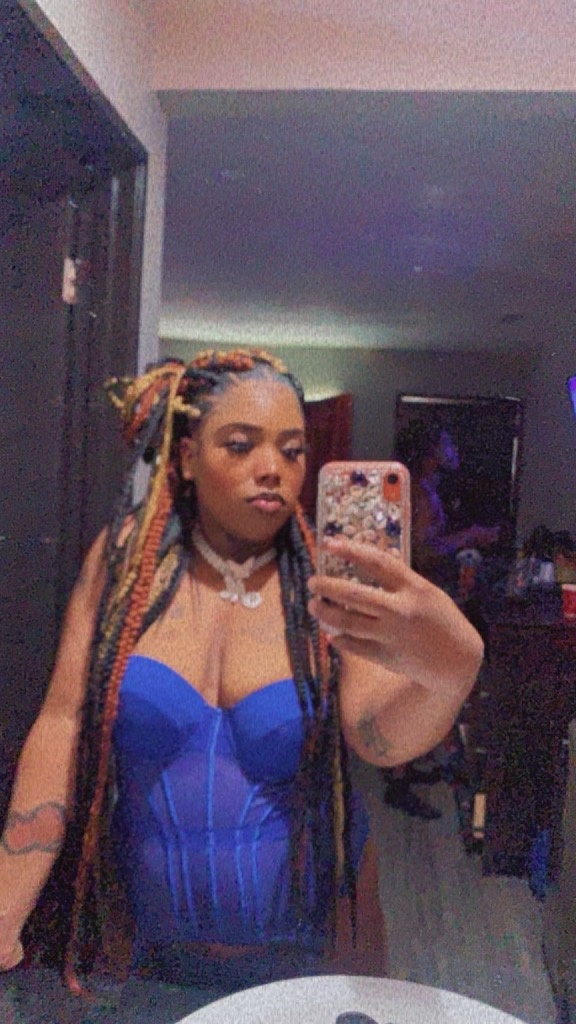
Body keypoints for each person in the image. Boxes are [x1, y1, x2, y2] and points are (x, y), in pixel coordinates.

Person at [0, 350, 483, 1012]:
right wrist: (7, 901)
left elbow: (376, 736)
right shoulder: (124, 565)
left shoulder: (327, 583)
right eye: (240, 444)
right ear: (187, 455)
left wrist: (451, 671)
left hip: (311, 957)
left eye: (292, 449)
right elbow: (63, 726)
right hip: (150, 959)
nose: (272, 467)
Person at [382, 418, 499, 819]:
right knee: (413, 687)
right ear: (432, 450)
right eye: (447, 443)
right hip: (413, 606)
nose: (454, 450)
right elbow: (420, 552)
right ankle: (397, 782)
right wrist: (470, 536)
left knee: (420, 683)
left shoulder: (424, 488)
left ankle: (406, 766)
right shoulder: (417, 491)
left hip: (419, 603)